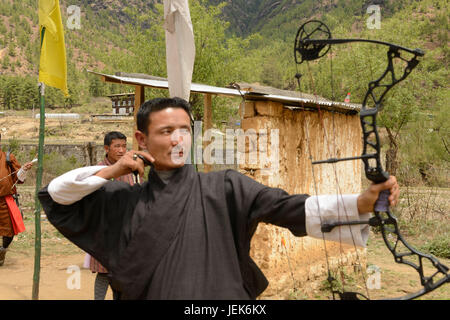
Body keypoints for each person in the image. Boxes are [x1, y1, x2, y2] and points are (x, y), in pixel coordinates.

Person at [38, 97, 400, 300]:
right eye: (166, 131)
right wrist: (113, 170)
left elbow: (287, 206)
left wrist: (362, 203)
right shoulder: (123, 199)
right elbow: (58, 193)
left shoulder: (225, 187)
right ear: (142, 139)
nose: (178, 139)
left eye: (184, 130)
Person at [85, 131, 136, 300]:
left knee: (122, 272)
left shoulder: (131, 169)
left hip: (126, 229)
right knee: (103, 271)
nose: (121, 150)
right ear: (107, 148)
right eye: (117, 146)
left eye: (124, 146)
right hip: (104, 230)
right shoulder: (99, 170)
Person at [0, 134, 34, 266]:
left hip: (5, 200)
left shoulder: (8, 158)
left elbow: (19, 178)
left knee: (9, 231)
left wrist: (24, 169)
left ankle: (2, 252)